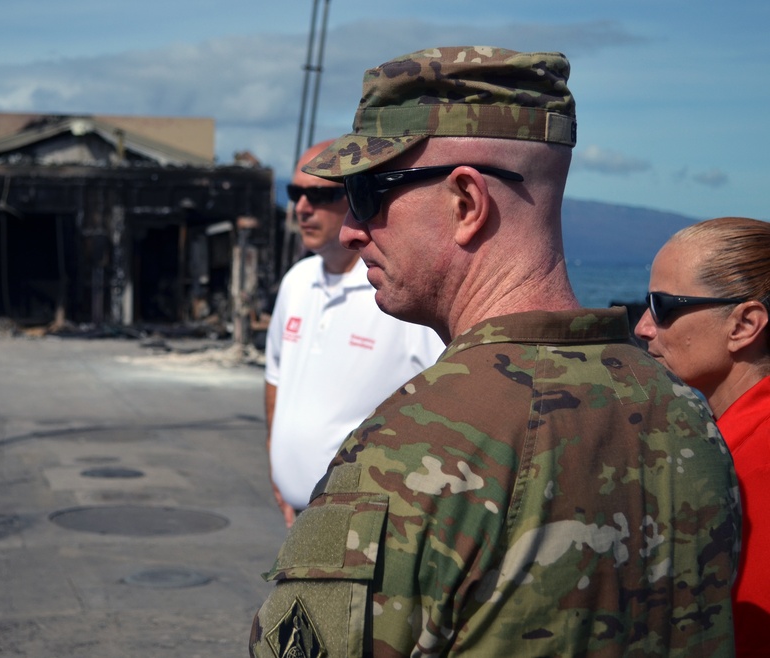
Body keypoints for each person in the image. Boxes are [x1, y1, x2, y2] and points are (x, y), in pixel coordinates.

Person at [250, 46, 739, 657]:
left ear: (466, 203)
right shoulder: (689, 417)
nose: (352, 227)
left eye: (369, 192)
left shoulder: (408, 456)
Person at [265, 139, 444, 527]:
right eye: (295, 192)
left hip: (364, 525)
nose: (301, 207)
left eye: (319, 194)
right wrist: (278, 465)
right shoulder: (296, 282)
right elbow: (275, 377)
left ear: (354, 198)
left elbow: (451, 405)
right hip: (298, 518)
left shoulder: (394, 294)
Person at [634, 216, 770, 658]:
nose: (642, 327)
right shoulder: (730, 439)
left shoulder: (752, 464)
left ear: (745, 325)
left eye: (663, 306)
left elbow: (746, 630)